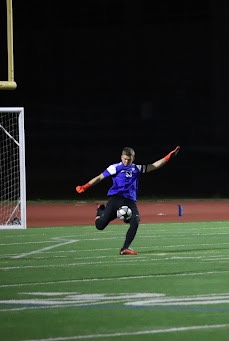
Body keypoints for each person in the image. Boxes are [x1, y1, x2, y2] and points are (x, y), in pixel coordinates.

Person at [76, 146, 180, 255]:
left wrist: (168, 157)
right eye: (125, 158)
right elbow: (100, 177)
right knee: (100, 226)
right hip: (115, 199)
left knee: (135, 221)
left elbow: (154, 166)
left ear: (133, 158)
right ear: (121, 157)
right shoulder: (114, 167)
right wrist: (85, 186)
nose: (126, 161)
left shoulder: (137, 168)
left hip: (129, 201)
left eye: (129, 159)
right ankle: (101, 210)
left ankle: (125, 248)